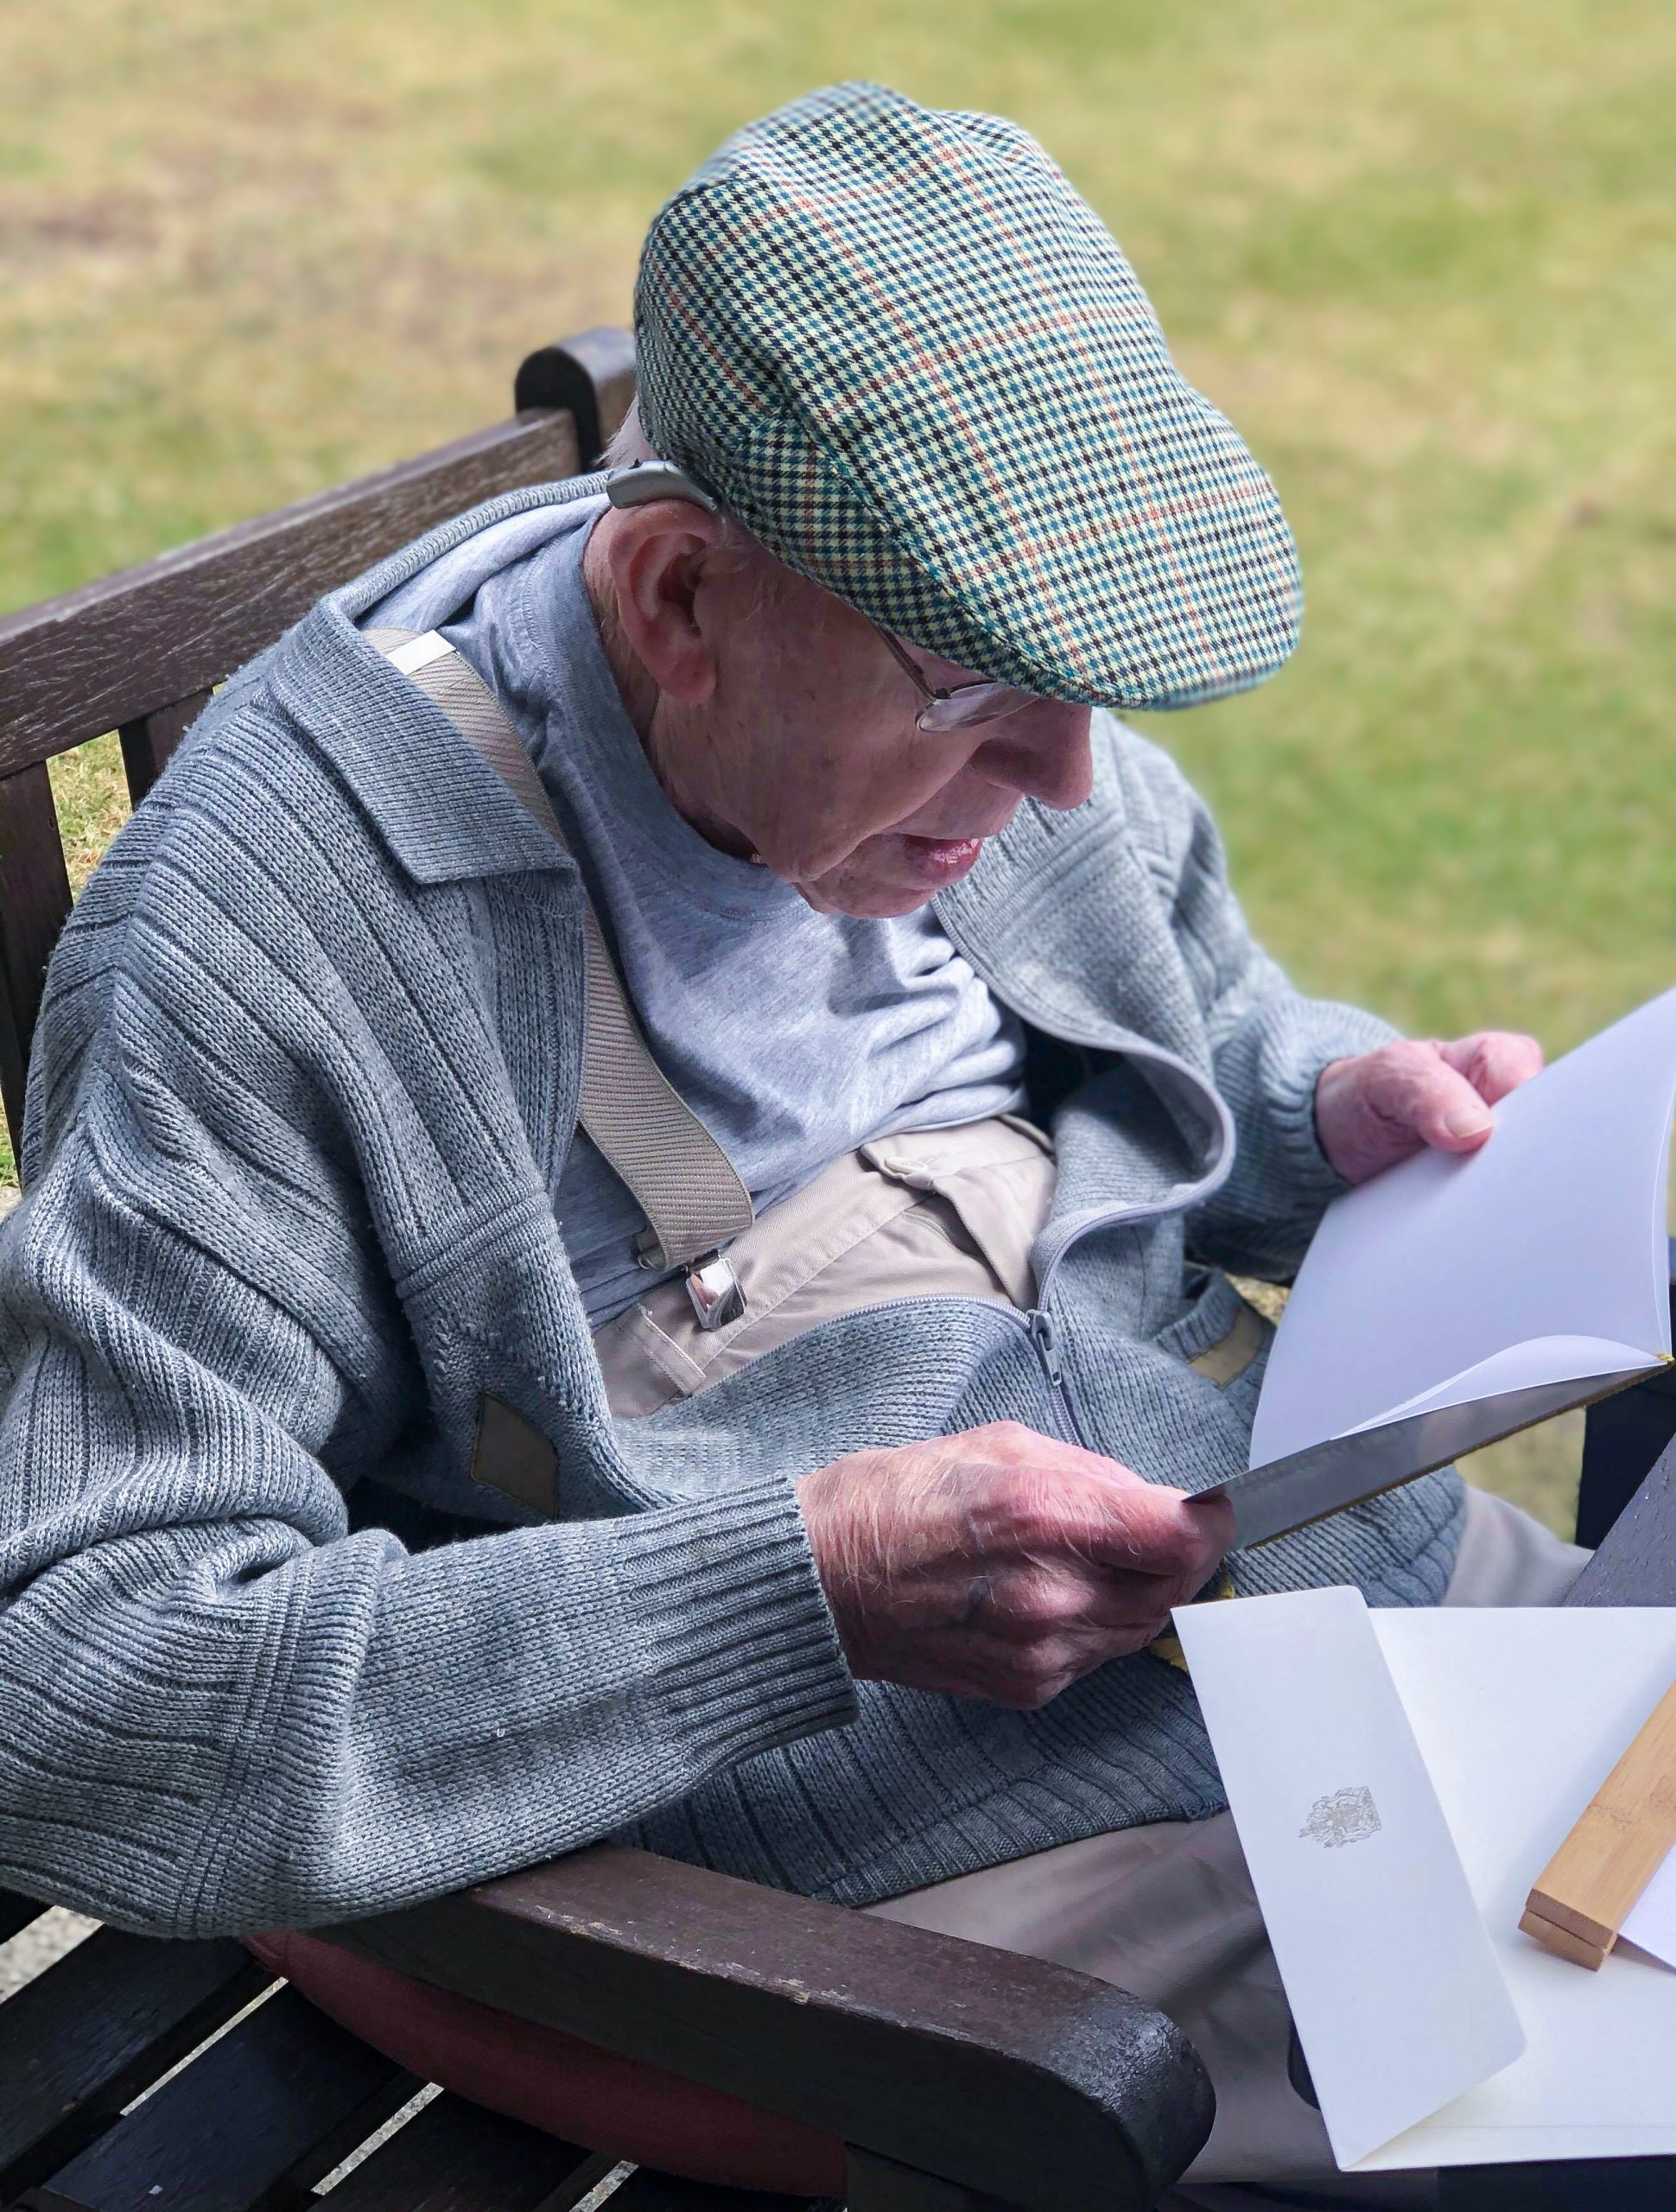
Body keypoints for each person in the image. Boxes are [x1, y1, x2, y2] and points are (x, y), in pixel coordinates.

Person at [0, 83, 1583, 2196]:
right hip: (963, 1866)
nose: (1068, 777)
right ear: (670, 597)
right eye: (974, 693)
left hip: (1332, 1590)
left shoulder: (941, 750)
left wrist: (1319, 1100)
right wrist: (807, 1583)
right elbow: (84, 1680)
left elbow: (1186, 997)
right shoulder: (267, 946)